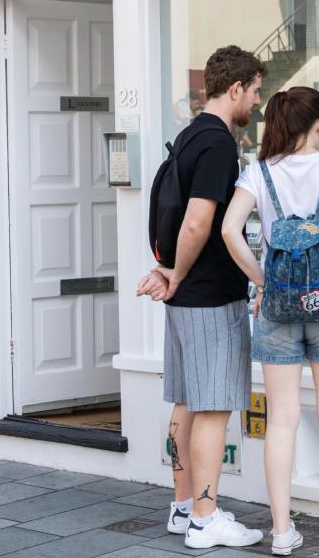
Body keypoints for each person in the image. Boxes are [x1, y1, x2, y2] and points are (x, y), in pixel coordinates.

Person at [222, 86, 319, 555]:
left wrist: (262, 280)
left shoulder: (257, 172)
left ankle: (282, 533)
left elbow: (230, 230)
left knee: (282, 422)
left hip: (276, 311)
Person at [136, 45, 266, 550]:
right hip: (209, 294)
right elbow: (197, 220)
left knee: (188, 400)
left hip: (187, 297)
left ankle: (183, 506)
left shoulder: (190, 135)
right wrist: (176, 272)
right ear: (234, 89)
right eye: (254, 91)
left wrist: (172, 276)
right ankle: (206, 520)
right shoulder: (216, 144)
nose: (256, 101)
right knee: (213, 407)